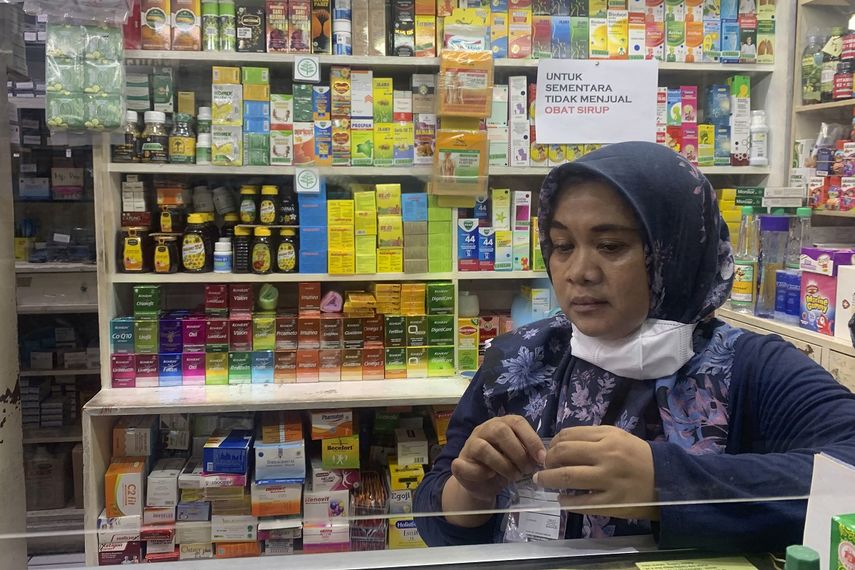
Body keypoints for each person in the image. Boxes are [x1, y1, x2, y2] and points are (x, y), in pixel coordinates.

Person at [414, 142, 855, 551]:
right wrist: (469, 490)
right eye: (563, 245)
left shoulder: (751, 367)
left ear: (676, 250)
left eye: (611, 245)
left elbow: (848, 477)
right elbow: (436, 519)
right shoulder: (519, 359)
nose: (579, 272)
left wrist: (668, 485)